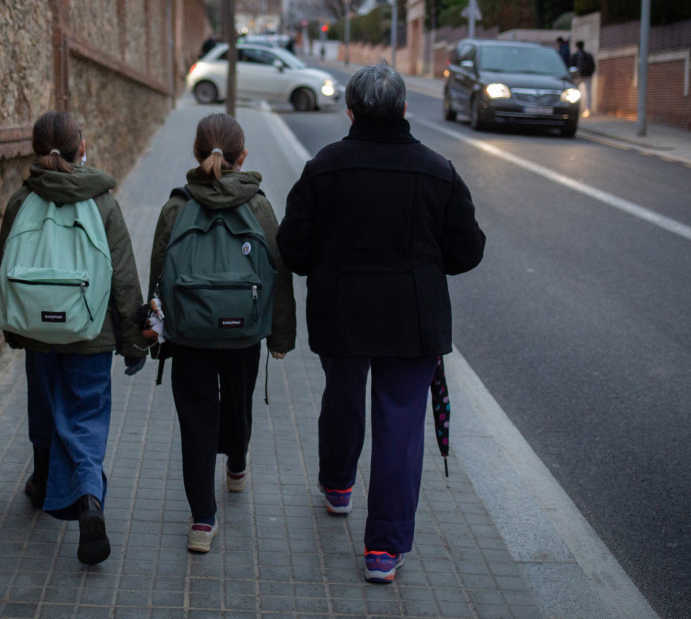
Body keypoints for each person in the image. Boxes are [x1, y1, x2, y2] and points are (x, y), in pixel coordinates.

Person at [276, 64, 485, 584]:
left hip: (341, 308)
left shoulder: (325, 167)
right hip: (413, 318)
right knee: (399, 424)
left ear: (350, 110)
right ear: (405, 109)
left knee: (342, 397)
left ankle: (338, 486)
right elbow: (467, 251)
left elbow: (293, 248)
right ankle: (384, 551)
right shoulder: (437, 170)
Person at [0, 110, 144, 565]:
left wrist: (15, 330)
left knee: (43, 406)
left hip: (38, 330)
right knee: (85, 416)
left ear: (36, 152)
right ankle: (88, 500)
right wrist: (134, 341)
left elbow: (3, 269)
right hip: (91, 332)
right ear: (83, 149)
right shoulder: (102, 203)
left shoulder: (22, 202)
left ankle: (41, 484)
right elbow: (123, 279)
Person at [145, 113, 296, 554]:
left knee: (196, 423)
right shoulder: (260, 205)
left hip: (188, 335)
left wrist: (150, 334)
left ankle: (202, 521)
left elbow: (157, 276)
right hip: (243, 334)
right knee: (239, 402)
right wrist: (281, 338)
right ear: (242, 156)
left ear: (196, 153)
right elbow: (278, 275)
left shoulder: (176, 206)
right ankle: (236, 463)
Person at [570, 40, 596, 118]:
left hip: (578, 76)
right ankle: (588, 110)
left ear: (577, 46)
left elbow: (572, 66)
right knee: (588, 93)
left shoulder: (575, 55)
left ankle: (576, 108)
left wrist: (574, 75)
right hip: (588, 75)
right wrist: (590, 74)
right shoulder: (588, 55)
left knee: (575, 93)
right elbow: (593, 66)